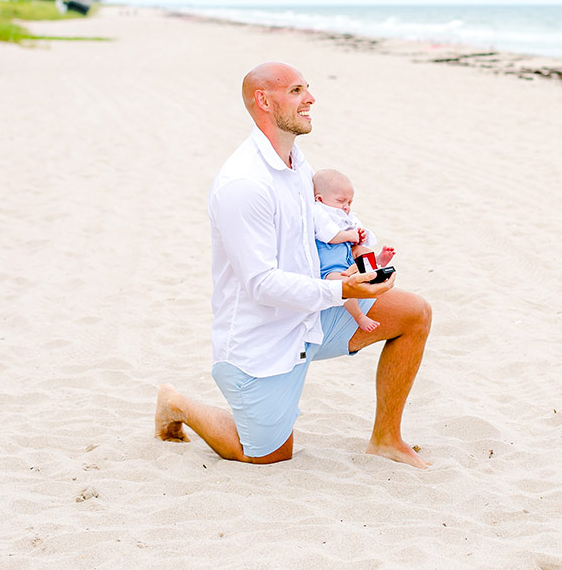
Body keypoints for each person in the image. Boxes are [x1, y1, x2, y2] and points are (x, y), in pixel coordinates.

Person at [155, 62, 432, 469]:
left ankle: (387, 439)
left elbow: (318, 237)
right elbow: (261, 285)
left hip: (312, 317)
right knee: (265, 455)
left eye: (309, 89)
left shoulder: (298, 164)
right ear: (264, 101)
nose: (311, 99)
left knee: (414, 313)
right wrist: (343, 291)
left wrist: (361, 263)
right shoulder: (244, 184)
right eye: (298, 90)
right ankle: (176, 403)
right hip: (262, 343)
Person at [313, 167, 396, 333]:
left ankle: (376, 263)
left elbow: (356, 232)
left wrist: (360, 235)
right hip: (330, 265)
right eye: (341, 200)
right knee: (342, 285)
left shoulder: (343, 215)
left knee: (362, 249)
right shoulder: (319, 211)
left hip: (347, 253)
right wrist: (350, 235)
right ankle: (359, 316)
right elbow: (329, 236)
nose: (346, 207)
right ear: (320, 198)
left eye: (349, 202)